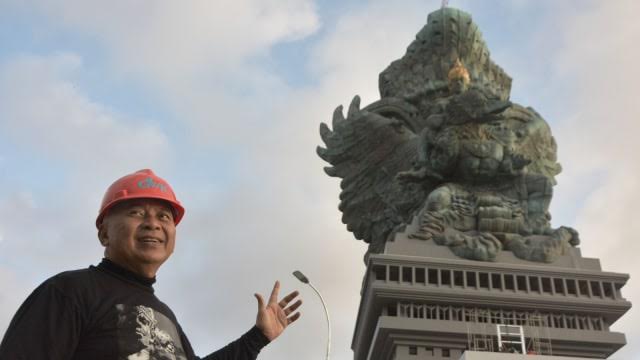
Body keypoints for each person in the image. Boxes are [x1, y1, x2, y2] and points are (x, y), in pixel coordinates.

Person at [0, 169, 302, 360]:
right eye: (136, 213)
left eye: (164, 217)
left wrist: (257, 338)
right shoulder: (69, 291)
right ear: (104, 231)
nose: (153, 225)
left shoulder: (166, 316)